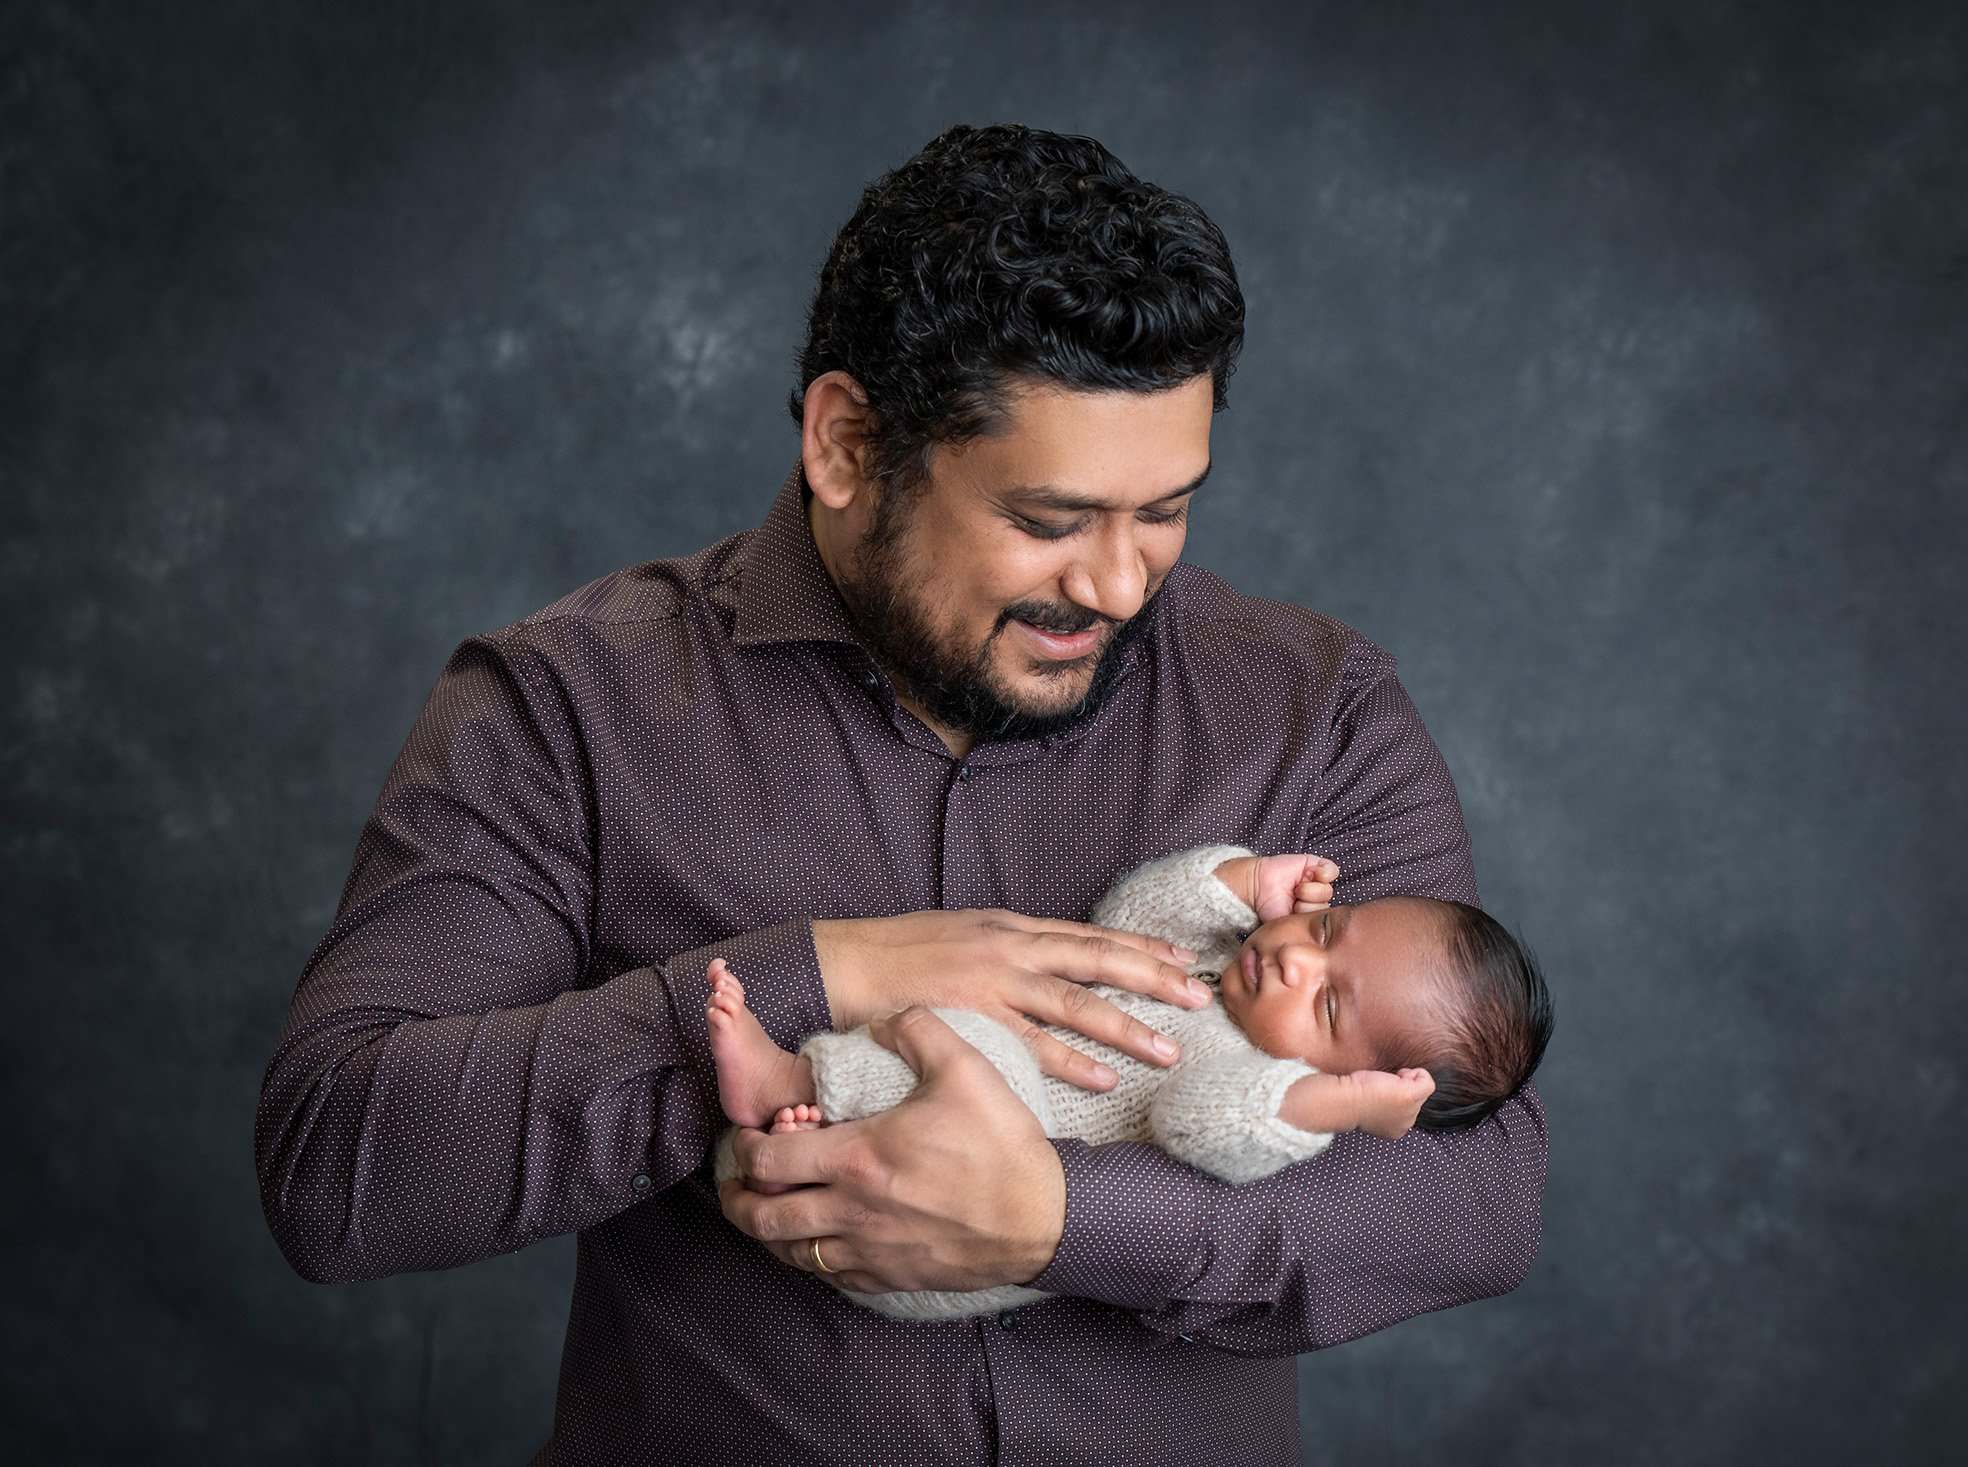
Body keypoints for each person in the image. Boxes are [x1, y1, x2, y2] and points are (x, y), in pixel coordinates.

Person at [254, 122, 1548, 1464]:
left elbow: (1475, 1187)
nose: (1117, 583)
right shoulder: (569, 704)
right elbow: (337, 1169)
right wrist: (812, 977)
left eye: (1165, 509)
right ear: (846, 444)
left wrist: (1057, 1217)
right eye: (1049, 521)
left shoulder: (1313, 704)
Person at [704, 841, 1552, 1320]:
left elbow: (1206, 1121)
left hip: (948, 1246)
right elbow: (1134, 919)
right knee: (956, 1040)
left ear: (1347, 1074)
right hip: (884, 1157)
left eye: (1328, 1004)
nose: (1294, 956)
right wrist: (1246, 883)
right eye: (1326, 928)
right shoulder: (1220, 965)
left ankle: (789, 1088)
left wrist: (1342, 1107)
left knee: (976, 1060)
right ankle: (800, 1098)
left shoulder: (1253, 1071)